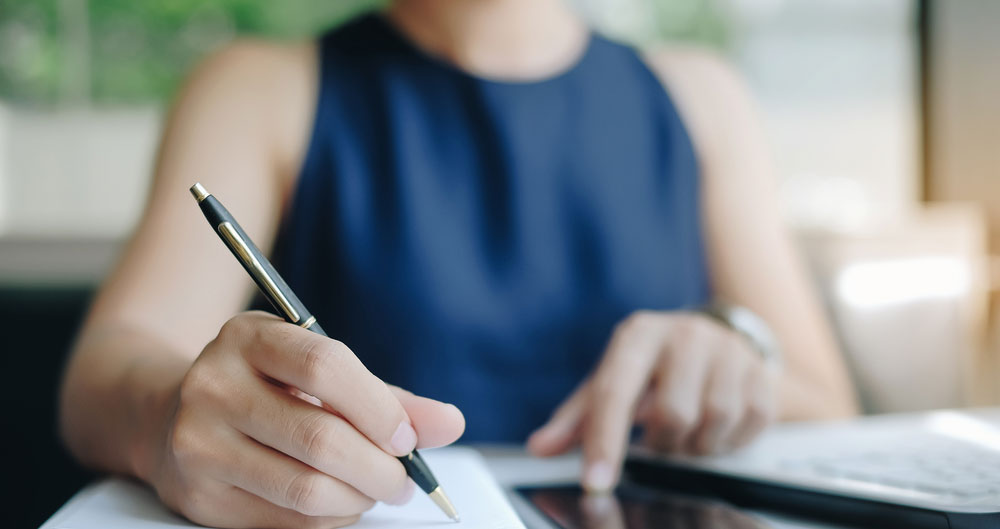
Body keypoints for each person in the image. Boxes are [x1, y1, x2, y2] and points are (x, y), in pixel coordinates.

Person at [59, 1, 858, 528]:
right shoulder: (260, 87)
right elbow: (104, 370)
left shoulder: (700, 96)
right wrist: (169, 415)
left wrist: (734, 346)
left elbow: (830, 406)